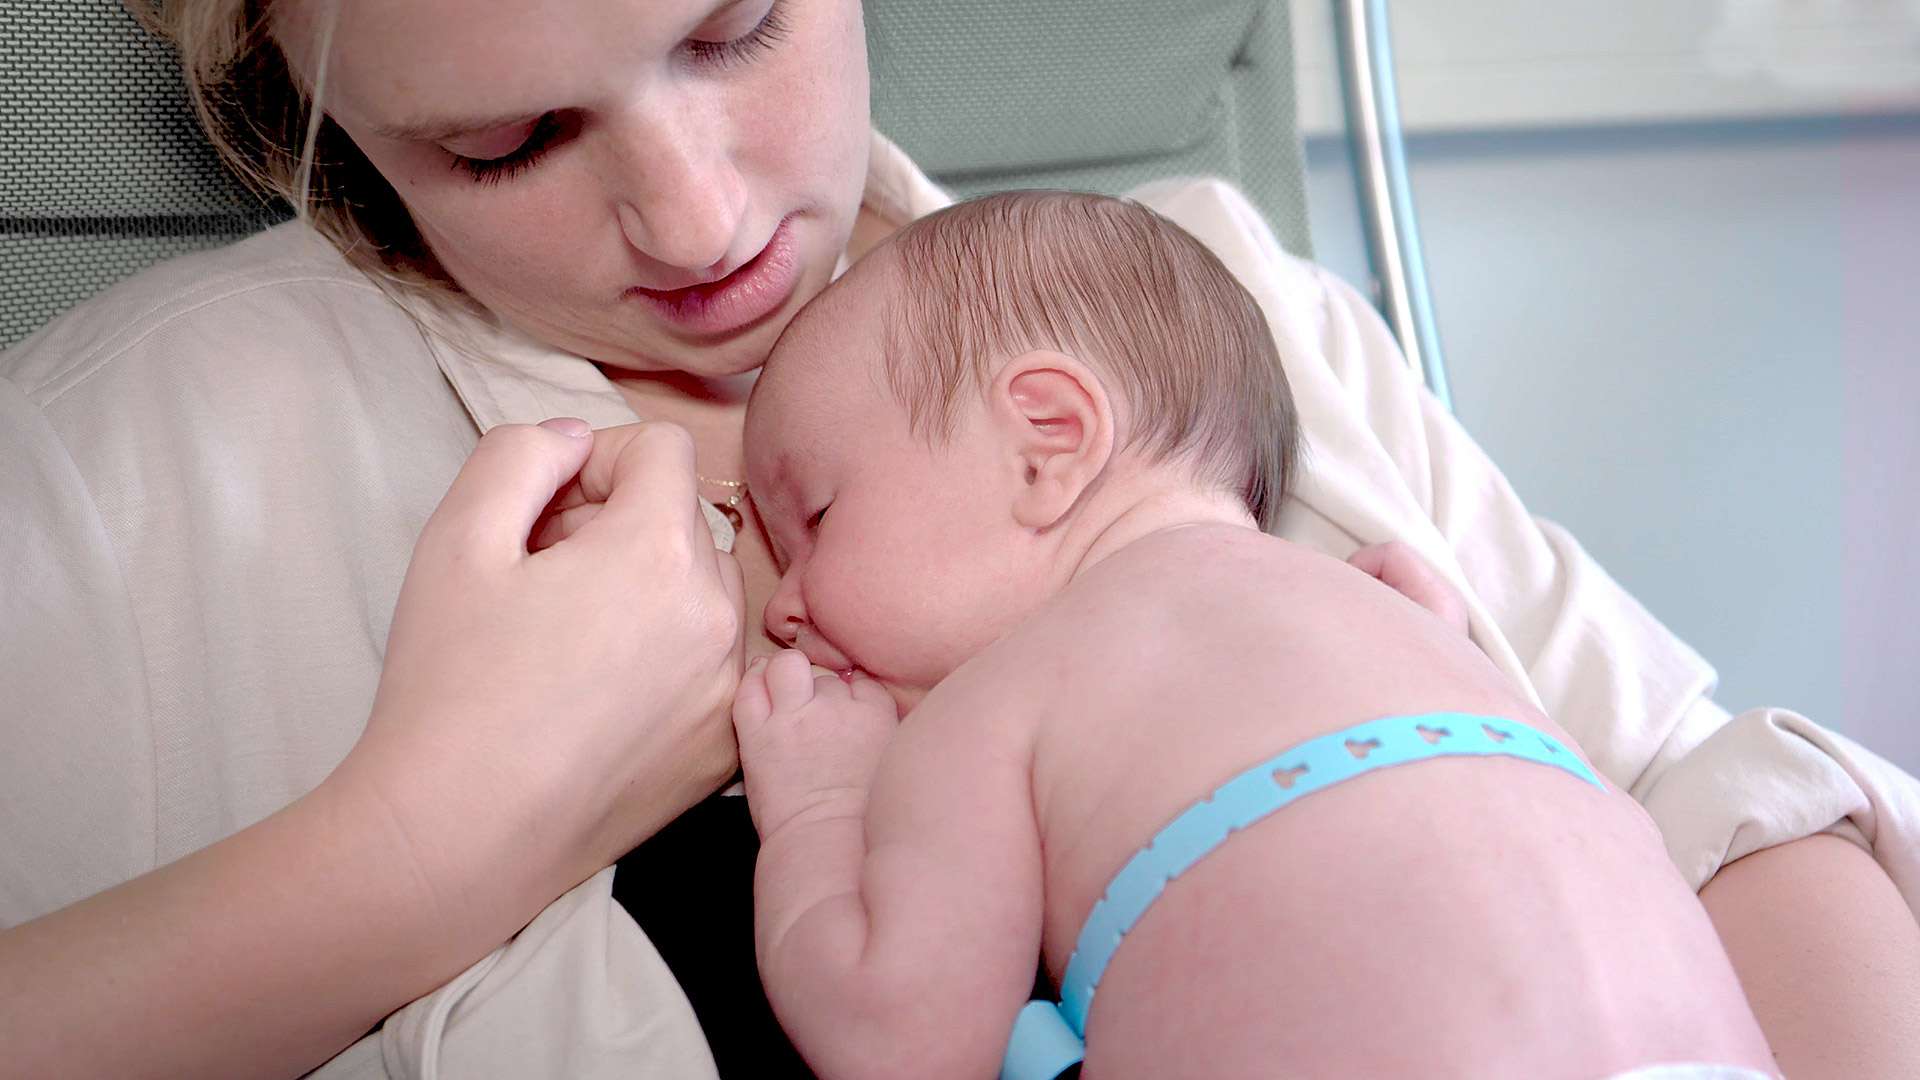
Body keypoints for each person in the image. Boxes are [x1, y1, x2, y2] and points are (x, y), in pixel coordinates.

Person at [0, 0, 1913, 1078]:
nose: (697, 221)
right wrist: (414, 854)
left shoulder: (1211, 310)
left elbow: (1698, 794)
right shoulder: (141, 461)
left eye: (735, 29)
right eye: (507, 146)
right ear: (320, 126)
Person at [729, 190, 1776, 1080]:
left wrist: (823, 806)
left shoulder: (997, 705)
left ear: (1045, 446)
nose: (785, 605)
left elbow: (900, 1037)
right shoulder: (1393, 601)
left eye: (817, 519)